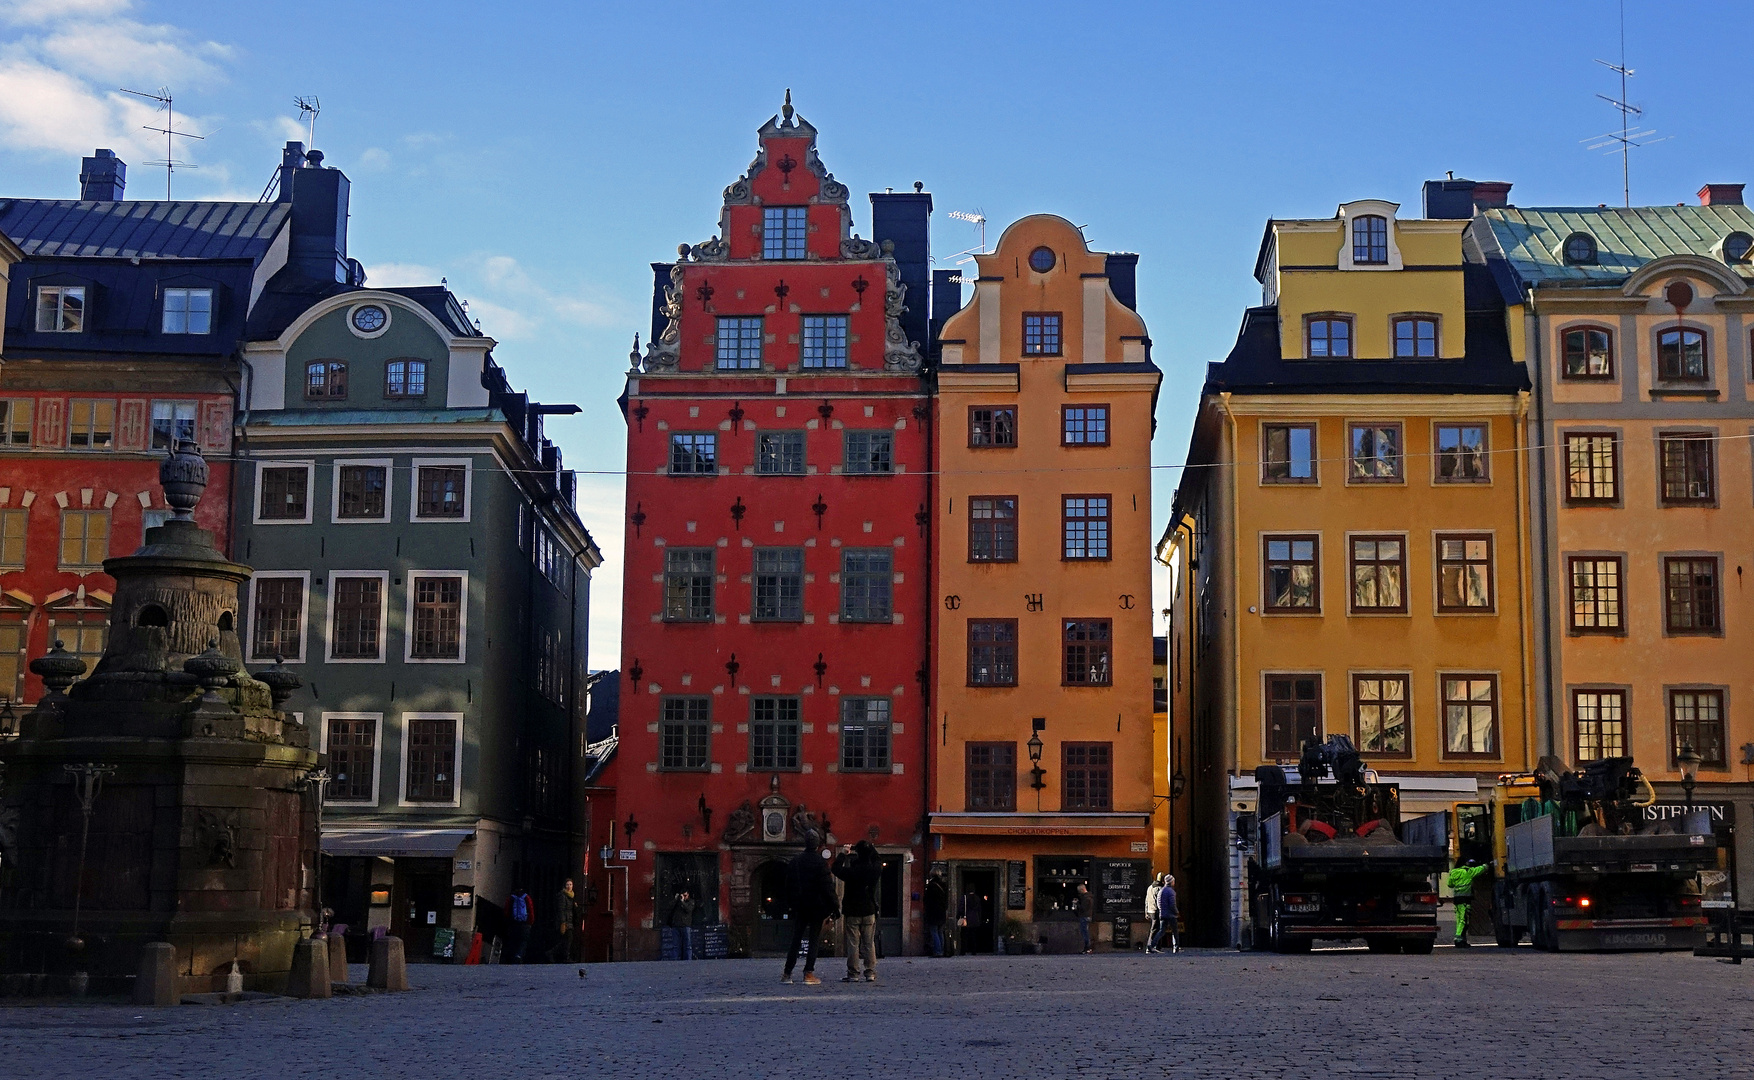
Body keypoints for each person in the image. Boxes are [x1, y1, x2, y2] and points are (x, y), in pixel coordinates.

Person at [782, 833, 839, 985]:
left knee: (796, 939)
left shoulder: (795, 861)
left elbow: (788, 886)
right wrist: (835, 906)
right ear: (817, 845)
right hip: (817, 907)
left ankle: (787, 973)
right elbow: (827, 887)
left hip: (800, 905)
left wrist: (791, 904)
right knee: (813, 939)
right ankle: (808, 973)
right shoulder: (820, 863)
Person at [833, 840, 882, 982]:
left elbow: (835, 869)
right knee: (869, 942)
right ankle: (870, 972)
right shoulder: (874, 870)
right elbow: (878, 859)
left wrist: (843, 854)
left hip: (852, 910)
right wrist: (871, 848)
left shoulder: (851, 871)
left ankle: (853, 973)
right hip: (869, 910)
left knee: (853, 943)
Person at [1447, 859, 1488, 948]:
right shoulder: (1468, 871)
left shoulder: (1454, 872)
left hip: (1457, 899)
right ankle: (1459, 939)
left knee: (1459, 919)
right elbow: (1480, 869)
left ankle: (1460, 939)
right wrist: (1487, 865)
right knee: (1464, 920)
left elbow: (1450, 884)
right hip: (1465, 899)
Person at [546, 879, 579, 963]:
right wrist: (563, 922)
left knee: (566, 940)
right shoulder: (562, 896)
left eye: (570, 884)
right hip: (565, 921)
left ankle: (552, 953)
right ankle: (565, 956)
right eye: (567, 885)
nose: (569, 886)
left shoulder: (571, 896)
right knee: (568, 939)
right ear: (565, 886)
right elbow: (561, 910)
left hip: (570, 920)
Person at [923, 871, 950, 957]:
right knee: (940, 932)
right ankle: (941, 950)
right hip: (942, 912)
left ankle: (938, 951)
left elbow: (927, 899)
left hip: (933, 912)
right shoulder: (944, 885)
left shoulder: (931, 886)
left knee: (934, 931)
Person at [506, 886, 535, 964]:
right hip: (524, 924)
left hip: (513, 923)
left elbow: (507, 911)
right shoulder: (526, 897)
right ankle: (519, 955)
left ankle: (513, 957)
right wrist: (530, 922)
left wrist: (508, 921)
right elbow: (530, 910)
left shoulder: (511, 898)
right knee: (523, 941)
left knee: (513, 940)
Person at [667, 888, 697, 959]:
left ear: (688, 895)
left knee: (688, 945)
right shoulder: (676, 902)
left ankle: (688, 960)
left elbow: (688, 910)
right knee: (675, 946)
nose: (684, 896)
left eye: (685, 895)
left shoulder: (691, 902)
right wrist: (675, 899)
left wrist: (682, 902)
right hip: (676, 925)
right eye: (683, 895)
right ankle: (675, 960)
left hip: (686, 925)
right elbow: (669, 907)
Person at [958, 885, 988, 955]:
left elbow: (961, 908)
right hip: (975, 919)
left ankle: (963, 951)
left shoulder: (965, 898)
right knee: (973, 936)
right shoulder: (977, 898)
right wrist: (979, 919)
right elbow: (979, 910)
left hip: (966, 919)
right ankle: (974, 951)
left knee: (964, 936)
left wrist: (958, 916)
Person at [1158, 875, 1180, 954]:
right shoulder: (1171, 891)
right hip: (1171, 915)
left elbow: (1158, 902)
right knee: (1175, 931)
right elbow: (1172, 904)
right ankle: (1176, 947)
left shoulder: (1161, 890)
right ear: (1171, 882)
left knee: (1161, 931)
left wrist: (1161, 910)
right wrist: (1176, 912)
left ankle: (1152, 944)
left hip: (1163, 914)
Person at [1144, 873, 1164, 953]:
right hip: (1157, 911)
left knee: (1155, 929)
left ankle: (1156, 947)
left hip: (1150, 910)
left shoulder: (1150, 888)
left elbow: (1146, 900)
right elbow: (1160, 902)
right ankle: (1151, 946)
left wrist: (1146, 912)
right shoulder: (1160, 889)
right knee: (1156, 929)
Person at [1076, 882, 1094, 953]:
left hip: (1085, 916)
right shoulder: (1090, 897)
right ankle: (1087, 947)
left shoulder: (1086, 898)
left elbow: (1083, 908)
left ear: (1083, 890)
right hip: (1089, 915)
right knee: (1086, 932)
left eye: (1080, 891)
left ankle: (1088, 947)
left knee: (1085, 932)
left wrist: (1077, 904)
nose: (1080, 893)